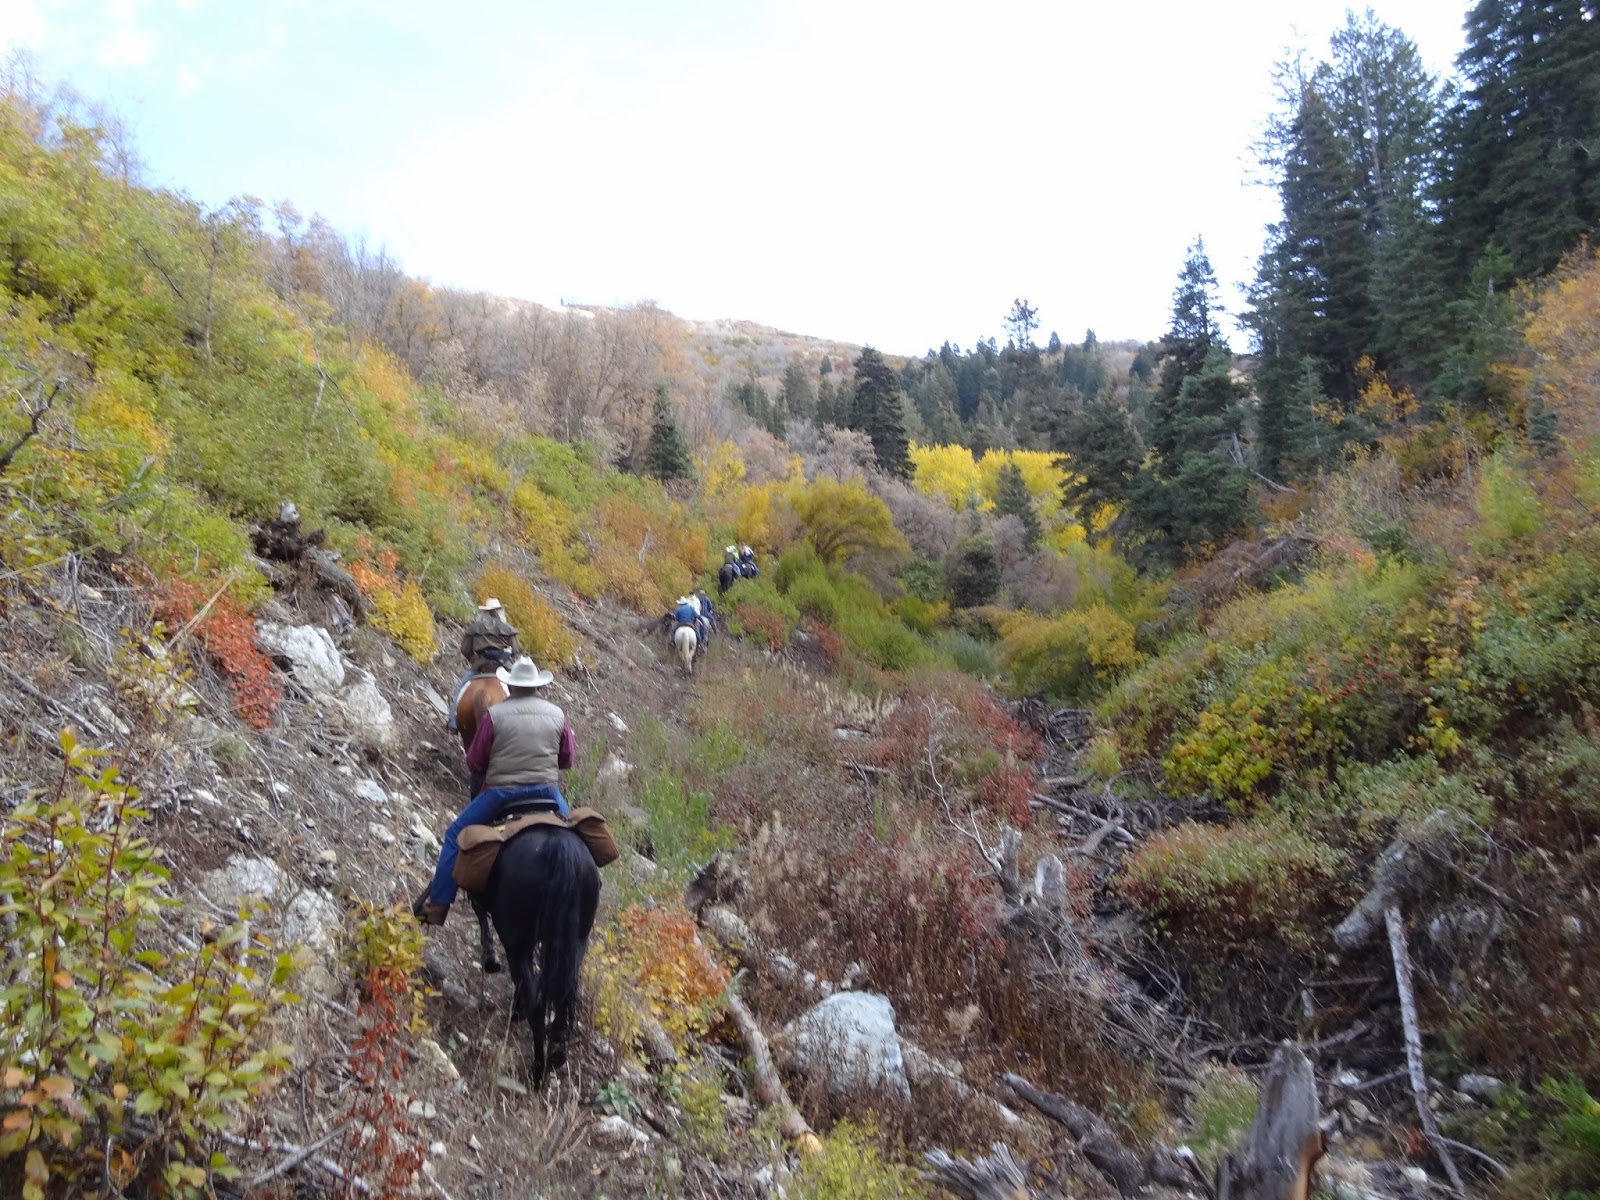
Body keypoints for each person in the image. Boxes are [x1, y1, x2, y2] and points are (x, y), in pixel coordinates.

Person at [415, 656, 574, 926]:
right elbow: (567, 760)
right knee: (575, 834)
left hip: (501, 794)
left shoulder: (494, 716)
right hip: (546, 793)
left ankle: (440, 905)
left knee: (454, 835)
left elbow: (475, 762)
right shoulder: (557, 715)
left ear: (510, 687)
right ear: (538, 687)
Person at [448, 598, 518, 731]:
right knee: (521, 689)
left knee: (460, 688)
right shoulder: (508, 629)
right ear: (499, 611)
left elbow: (465, 650)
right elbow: (515, 649)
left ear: (485, 612)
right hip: (502, 666)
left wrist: (474, 660)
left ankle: (452, 721)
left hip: (480, 666)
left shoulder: (474, 629)